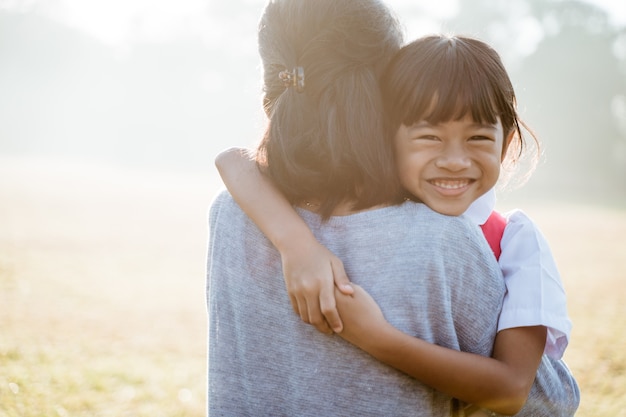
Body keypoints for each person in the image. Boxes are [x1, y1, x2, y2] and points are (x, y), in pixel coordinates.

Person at [215, 35, 580, 415]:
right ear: (388, 141)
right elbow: (234, 162)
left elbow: (513, 389)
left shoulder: (516, 243)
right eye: (429, 137)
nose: (455, 160)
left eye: (478, 138)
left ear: (504, 145)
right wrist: (298, 246)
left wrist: (376, 337)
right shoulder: (372, 210)